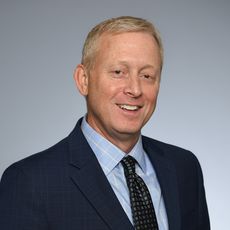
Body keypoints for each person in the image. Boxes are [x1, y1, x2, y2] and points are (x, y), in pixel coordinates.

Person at [0, 16, 210, 230]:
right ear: (83, 80)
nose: (135, 90)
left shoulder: (184, 167)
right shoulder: (30, 182)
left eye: (147, 75)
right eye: (119, 72)